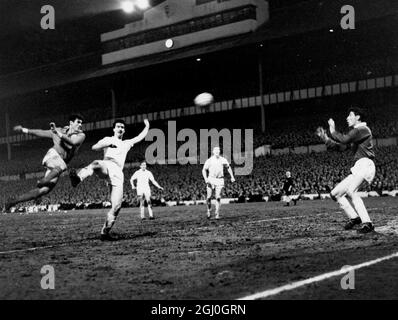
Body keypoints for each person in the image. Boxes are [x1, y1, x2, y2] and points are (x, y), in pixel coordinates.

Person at [69, 119, 150, 240]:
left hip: (118, 172)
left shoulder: (126, 143)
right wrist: (106, 145)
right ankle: (78, 178)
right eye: (118, 126)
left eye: (122, 127)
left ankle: (104, 233)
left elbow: (140, 137)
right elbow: (94, 147)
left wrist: (147, 126)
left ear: (124, 130)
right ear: (114, 129)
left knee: (117, 206)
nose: (120, 128)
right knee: (96, 163)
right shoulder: (108, 139)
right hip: (107, 164)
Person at [3, 114, 85, 212]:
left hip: (57, 166)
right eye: (78, 122)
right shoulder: (58, 130)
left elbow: (72, 142)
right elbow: (40, 132)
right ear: (71, 123)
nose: (80, 124)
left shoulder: (81, 135)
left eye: (81, 123)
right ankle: (42, 181)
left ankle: (12, 202)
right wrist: (23, 130)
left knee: (43, 191)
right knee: (63, 166)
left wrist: (57, 133)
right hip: (52, 156)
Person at [316, 107, 376, 233]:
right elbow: (341, 147)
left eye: (350, 115)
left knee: (352, 191)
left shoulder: (362, 129)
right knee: (335, 194)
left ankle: (367, 223)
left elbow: (344, 139)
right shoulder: (357, 133)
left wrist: (332, 129)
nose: (347, 118)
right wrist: (326, 139)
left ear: (358, 117)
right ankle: (354, 218)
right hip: (358, 167)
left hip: (365, 164)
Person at [202, 147, 235, 219]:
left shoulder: (223, 159)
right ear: (213, 152)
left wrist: (232, 176)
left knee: (218, 197)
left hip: (220, 180)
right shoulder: (209, 160)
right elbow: (204, 170)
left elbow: (228, 167)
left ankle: (217, 213)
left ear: (220, 151)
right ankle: (209, 210)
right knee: (209, 197)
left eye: (218, 150)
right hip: (211, 179)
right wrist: (206, 179)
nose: (217, 151)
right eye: (215, 150)